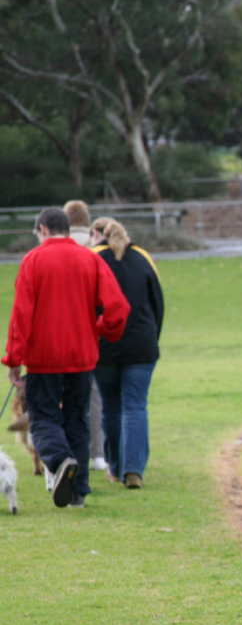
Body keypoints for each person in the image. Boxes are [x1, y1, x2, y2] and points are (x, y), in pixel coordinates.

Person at [2, 207, 129, 508]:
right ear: (68, 230)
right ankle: (78, 492)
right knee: (77, 420)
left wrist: (14, 359)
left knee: (44, 417)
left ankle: (60, 462)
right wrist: (99, 330)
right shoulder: (90, 259)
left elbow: (21, 315)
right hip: (81, 355)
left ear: (43, 230)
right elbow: (118, 308)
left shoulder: (33, 260)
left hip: (44, 357)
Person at [90, 217, 163, 490]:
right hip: (142, 344)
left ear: (94, 233)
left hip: (103, 344)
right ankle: (133, 470)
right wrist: (152, 338)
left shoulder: (93, 257)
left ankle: (115, 465)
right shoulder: (143, 257)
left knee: (111, 407)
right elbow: (158, 302)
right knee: (135, 406)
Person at [64, 199, 109, 473]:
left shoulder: (57, 245)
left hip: (60, 332)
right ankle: (96, 454)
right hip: (91, 331)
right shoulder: (95, 248)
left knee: (61, 396)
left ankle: (64, 453)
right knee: (93, 396)